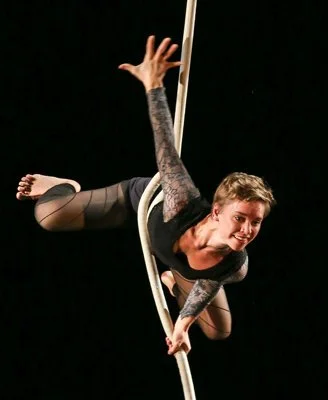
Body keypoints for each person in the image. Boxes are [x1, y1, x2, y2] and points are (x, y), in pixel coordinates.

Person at [15, 35, 276, 356]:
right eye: (240, 218)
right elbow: (166, 146)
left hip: (178, 263)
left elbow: (207, 287)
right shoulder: (182, 201)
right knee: (48, 216)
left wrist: (181, 327)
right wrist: (153, 86)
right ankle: (65, 185)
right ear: (217, 212)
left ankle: (173, 280)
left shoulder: (235, 264)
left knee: (218, 330)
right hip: (139, 204)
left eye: (256, 222)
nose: (247, 230)